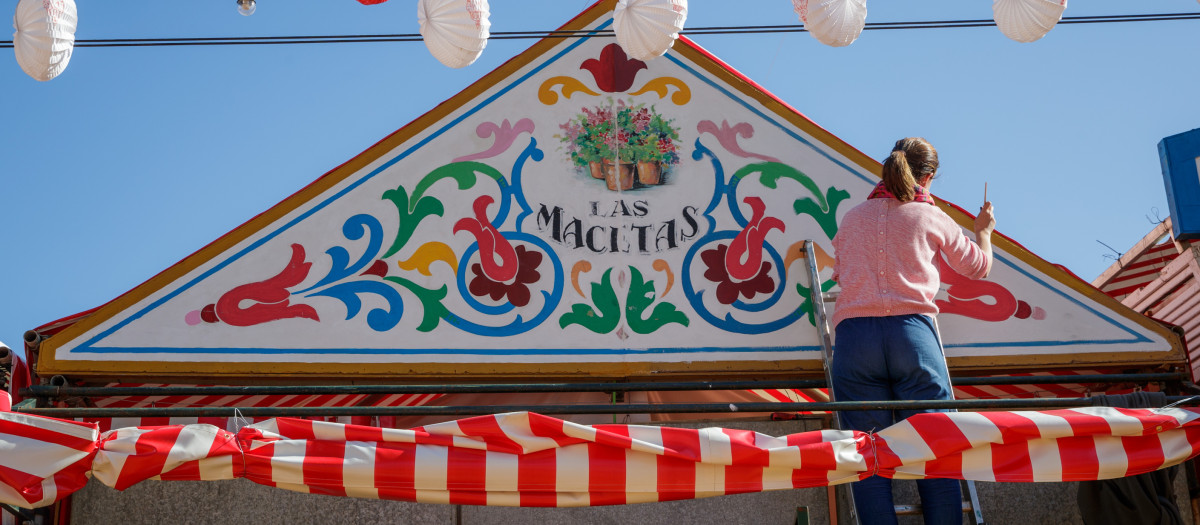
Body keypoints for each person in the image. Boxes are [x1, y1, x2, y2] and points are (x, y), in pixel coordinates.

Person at [830, 137, 995, 525]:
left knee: (867, 456)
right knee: (935, 450)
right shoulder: (931, 217)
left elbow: (840, 272)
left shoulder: (852, 218)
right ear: (929, 177)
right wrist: (984, 231)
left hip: (855, 340)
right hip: (913, 337)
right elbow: (978, 268)